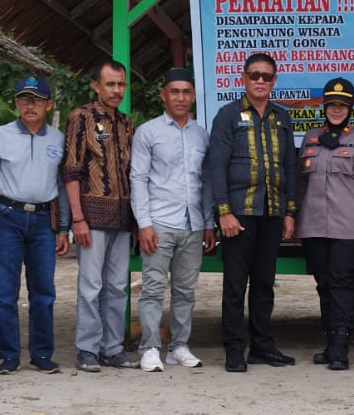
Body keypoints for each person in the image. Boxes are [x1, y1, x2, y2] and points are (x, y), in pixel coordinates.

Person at [206, 53, 299, 372]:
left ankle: (262, 346)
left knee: (264, 284)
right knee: (235, 284)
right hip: (239, 214)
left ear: (275, 81)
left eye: (267, 76)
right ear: (243, 78)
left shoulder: (282, 118)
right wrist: (223, 212)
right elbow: (216, 165)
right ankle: (234, 348)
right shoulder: (227, 115)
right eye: (255, 75)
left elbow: (290, 166)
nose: (261, 81)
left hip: (272, 212)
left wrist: (289, 213)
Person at [0, 76, 71, 375]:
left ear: (48, 105)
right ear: (16, 103)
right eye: (25, 100)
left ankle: (42, 354)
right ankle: (8, 356)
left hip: (44, 221)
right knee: (4, 293)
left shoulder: (58, 139)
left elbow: (62, 185)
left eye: (37, 100)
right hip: (6, 218)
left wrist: (64, 228)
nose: (31, 105)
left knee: (43, 291)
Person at [130, 67, 216, 372]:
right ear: (163, 95)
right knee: (152, 288)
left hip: (192, 224)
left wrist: (208, 222)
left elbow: (205, 182)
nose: (180, 97)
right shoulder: (149, 132)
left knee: (185, 291)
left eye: (186, 92)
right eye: (174, 91)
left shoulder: (200, 133)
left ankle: (179, 347)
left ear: (193, 97)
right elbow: (138, 178)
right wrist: (144, 224)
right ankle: (150, 347)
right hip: (159, 222)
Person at [296, 78, 354, 370]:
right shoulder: (310, 137)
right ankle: (330, 342)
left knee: (344, 284)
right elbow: (300, 183)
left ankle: (341, 348)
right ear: (324, 106)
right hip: (315, 225)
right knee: (324, 285)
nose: (336, 110)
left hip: (350, 227)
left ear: (350, 108)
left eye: (342, 105)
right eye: (332, 104)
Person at [63, 60, 138, 372]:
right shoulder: (81, 117)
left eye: (120, 84)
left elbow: (131, 173)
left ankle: (112, 348)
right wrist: (77, 219)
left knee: (117, 286)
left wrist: (134, 221)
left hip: (121, 219)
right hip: (91, 218)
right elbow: (71, 170)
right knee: (91, 286)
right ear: (95, 86)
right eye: (110, 84)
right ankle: (88, 350)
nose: (116, 90)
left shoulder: (125, 123)